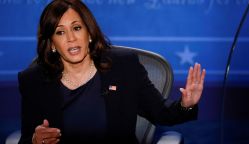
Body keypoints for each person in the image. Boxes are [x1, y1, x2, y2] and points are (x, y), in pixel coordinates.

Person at [18, 0, 206, 144]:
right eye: (60, 32)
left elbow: (162, 113)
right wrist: (35, 140)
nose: (71, 38)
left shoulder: (124, 67)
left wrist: (185, 104)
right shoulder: (33, 81)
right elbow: (26, 138)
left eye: (77, 28)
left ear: (89, 33)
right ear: (51, 44)